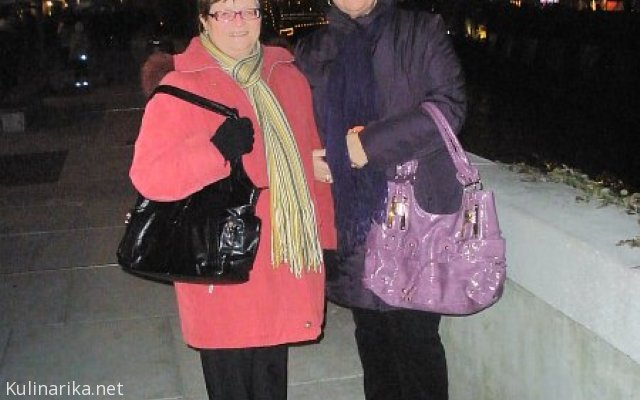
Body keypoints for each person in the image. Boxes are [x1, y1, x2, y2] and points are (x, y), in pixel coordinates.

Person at [129, 0, 336, 398]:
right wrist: (216, 151)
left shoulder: (287, 77)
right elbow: (150, 176)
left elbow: (313, 163)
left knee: (271, 383)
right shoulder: (181, 87)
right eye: (226, 11)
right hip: (223, 269)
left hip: (283, 259)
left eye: (249, 10)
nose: (239, 22)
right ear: (204, 20)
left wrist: (325, 241)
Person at [294, 0, 467, 399]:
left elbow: (449, 107)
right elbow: (295, 122)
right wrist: (308, 157)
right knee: (372, 339)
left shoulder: (420, 31)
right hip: (352, 220)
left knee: (416, 341)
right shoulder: (312, 49)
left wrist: (367, 146)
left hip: (416, 219)